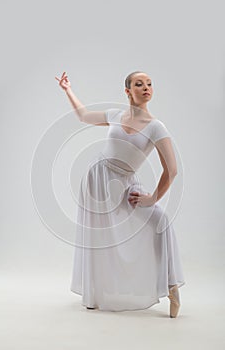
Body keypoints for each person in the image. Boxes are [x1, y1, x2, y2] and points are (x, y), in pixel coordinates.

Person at [55, 70, 186, 318]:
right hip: (97, 180)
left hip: (125, 184)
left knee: (160, 221)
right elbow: (83, 116)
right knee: (99, 237)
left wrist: (152, 198)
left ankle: (171, 286)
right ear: (128, 91)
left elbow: (172, 169)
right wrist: (67, 89)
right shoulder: (115, 115)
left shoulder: (156, 127)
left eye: (149, 83)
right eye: (139, 84)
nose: (146, 87)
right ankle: (94, 295)